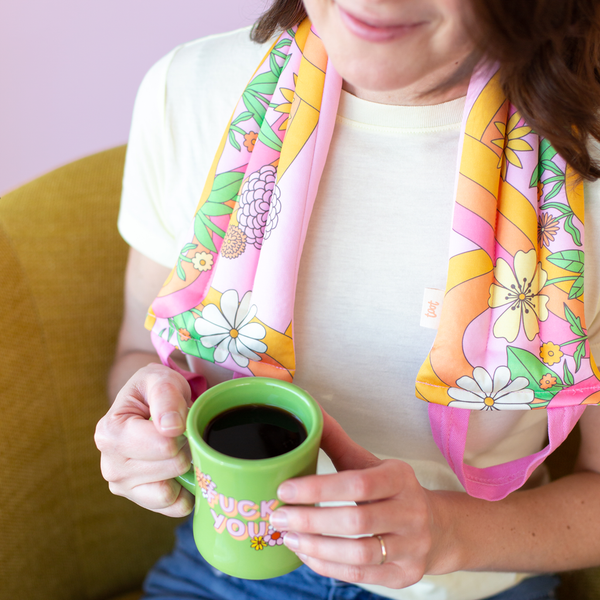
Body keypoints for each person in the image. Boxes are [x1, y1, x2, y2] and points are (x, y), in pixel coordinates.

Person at [94, 1, 600, 599]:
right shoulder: (191, 91)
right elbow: (136, 351)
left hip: (470, 584)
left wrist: (449, 534)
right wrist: (144, 432)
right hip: (228, 570)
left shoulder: (581, 154)